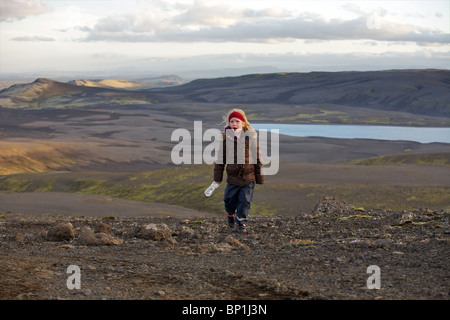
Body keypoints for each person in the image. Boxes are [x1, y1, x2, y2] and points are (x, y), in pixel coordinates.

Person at [213, 108, 265, 233]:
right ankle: (230, 214)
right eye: (232, 121)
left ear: (243, 123)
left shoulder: (250, 138)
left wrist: (260, 177)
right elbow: (220, 161)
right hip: (232, 179)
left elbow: (258, 158)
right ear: (229, 123)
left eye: (237, 121)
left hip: (248, 178)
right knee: (229, 201)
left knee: (245, 201)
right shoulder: (225, 140)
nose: (234, 124)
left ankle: (241, 223)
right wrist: (217, 179)